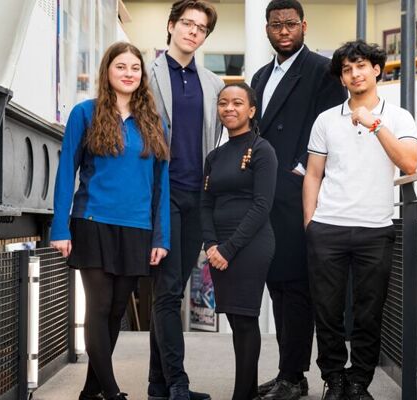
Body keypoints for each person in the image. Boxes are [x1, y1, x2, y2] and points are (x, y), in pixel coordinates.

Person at [50, 42, 170, 400]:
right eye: (121, 66)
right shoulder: (84, 113)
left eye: (135, 67)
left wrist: (160, 237)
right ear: (107, 71)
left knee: (117, 311)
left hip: (137, 228)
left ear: (142, 75)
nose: (128, 73)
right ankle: (113, 393)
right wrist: (60, 227)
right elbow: (66, 172)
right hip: (93, 221)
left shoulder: (155, 122)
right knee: (99, 307)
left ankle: (91, 391)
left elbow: (161, 184)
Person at [303, 39, 417, 400]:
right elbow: (313, 174)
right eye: (347, 69)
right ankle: (334, 379)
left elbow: (410, 163)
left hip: (375, 229)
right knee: (328, 311)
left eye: (361, 66)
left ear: (376, 70)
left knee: (369, 313)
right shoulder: (326, 120)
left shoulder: (398, 117)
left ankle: (358, 383)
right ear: (341, 77)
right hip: (328, 228)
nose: (354, 74)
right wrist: (310, 223)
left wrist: (375, 124)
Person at [250, 1, 347, 399]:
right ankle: (289, 372)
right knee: (277, 286)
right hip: (265, 194)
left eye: (291, 24)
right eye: (276, 25)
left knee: (296, 287)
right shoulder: (259, 76)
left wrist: (301, 169)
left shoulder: (323, 71)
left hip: (298, 192)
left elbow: (333, 126)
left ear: (304, 26)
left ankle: (293, 376)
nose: (284, 30)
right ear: (267, 29)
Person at [147, 1, 224, 399]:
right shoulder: (146, 74)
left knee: (171, 291)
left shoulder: (212, 83)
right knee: (168, 289)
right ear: (172, 26)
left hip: (199, 194)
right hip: (163, 193)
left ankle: (157, 385)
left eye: (201, 28)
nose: (193, 31)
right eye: (187, 23)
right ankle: (177, 383)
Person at [201, 83, 278, 400]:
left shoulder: (262, 150)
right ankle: (247, 393)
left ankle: (242, 395)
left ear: (251, 110)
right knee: (235, 318)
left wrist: (228, 249)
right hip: (218, 247)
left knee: (245, 319)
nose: (229, 108)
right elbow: (205, 203)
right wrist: (210, 245)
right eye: (223, 103)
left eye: (237, 103)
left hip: (250, 245)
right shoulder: (214, 156)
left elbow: (262, 205)